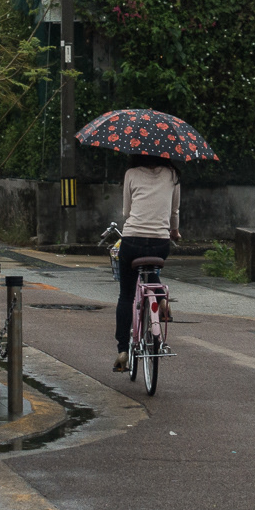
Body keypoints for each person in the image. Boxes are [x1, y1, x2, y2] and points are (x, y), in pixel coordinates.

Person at [114, 155, 180, 371]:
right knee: (152, 268)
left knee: (126, 295)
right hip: (161, 242)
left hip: (132, 240)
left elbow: (126, 212)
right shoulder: (172, 175)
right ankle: (161, 298)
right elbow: (174, 212)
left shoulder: (131, 173)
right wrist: (174, 232)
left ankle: (123, 349)